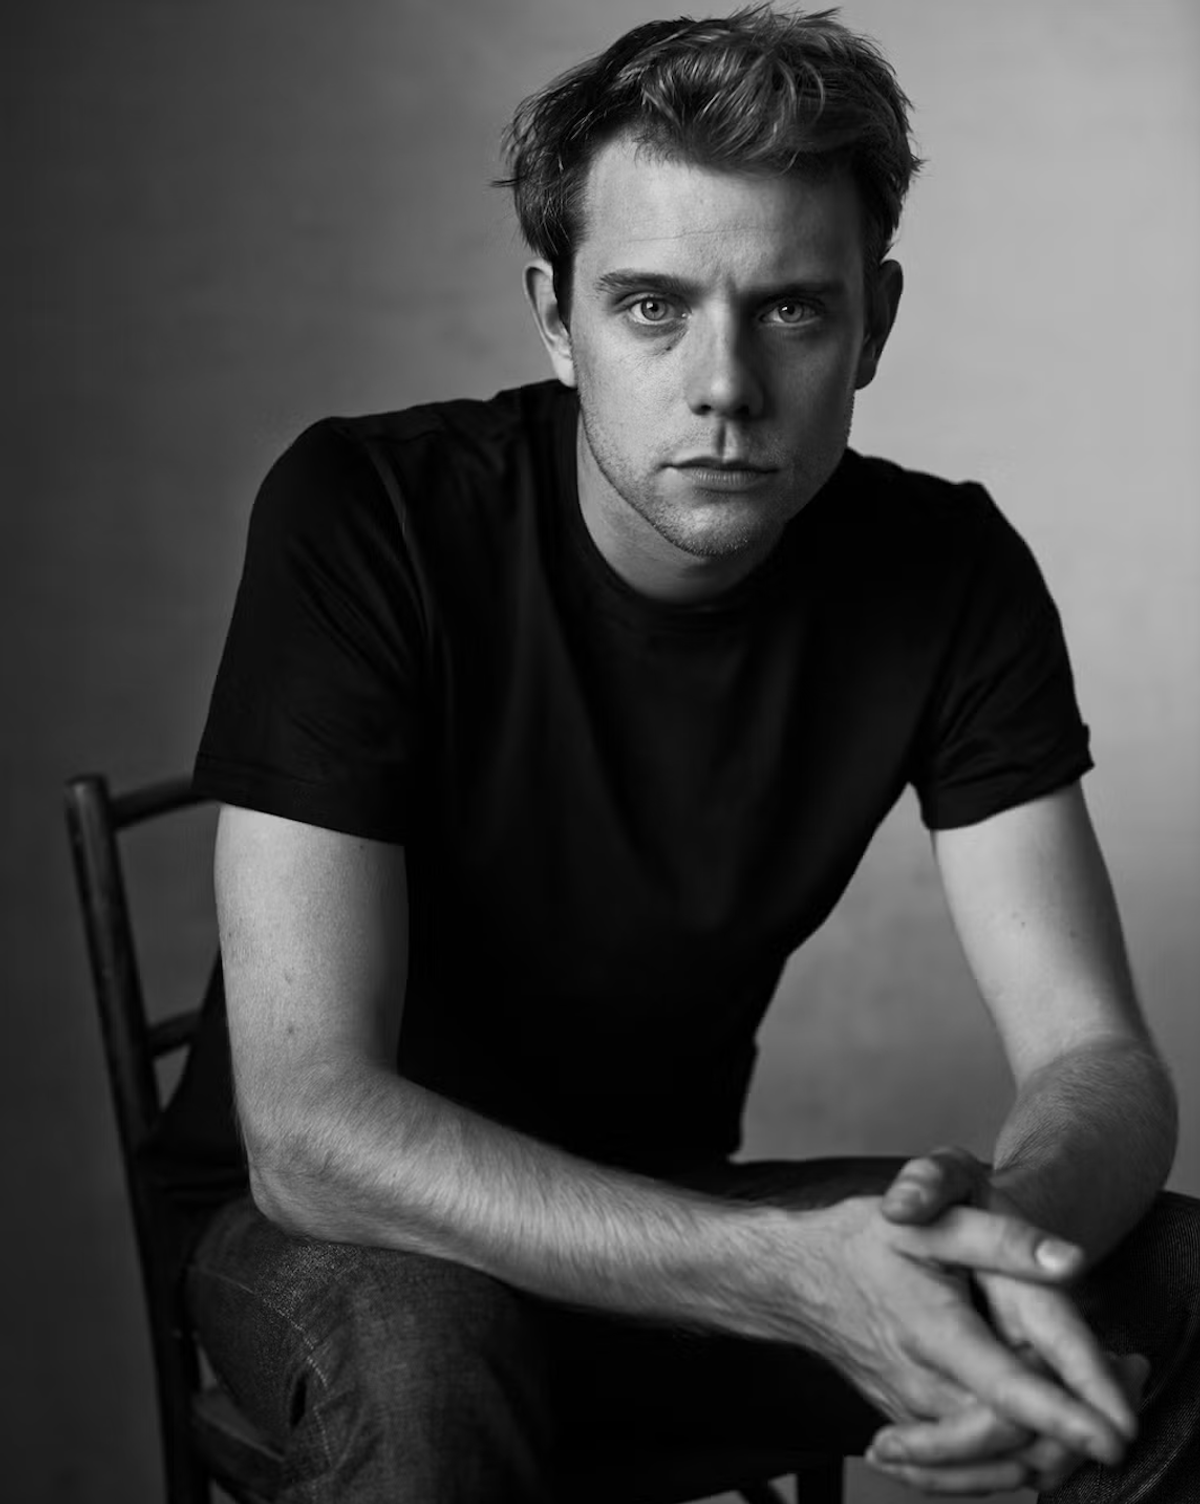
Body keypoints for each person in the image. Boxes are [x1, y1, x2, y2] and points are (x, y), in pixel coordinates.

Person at [185, 7, 1198, 1499]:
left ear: (876, 321)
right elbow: (310, 1133)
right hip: (345, 1236)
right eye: (652, 306)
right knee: (427, 1349)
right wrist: (785, 1274)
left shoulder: (948, 572)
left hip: (671, 1218)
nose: (725, 385)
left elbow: (1096, 1057)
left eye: (790, 310)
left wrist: (1012, 1244)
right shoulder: (368, 512)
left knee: (1171, 1273)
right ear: (556, 318)